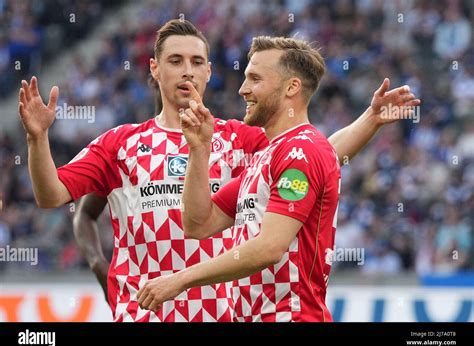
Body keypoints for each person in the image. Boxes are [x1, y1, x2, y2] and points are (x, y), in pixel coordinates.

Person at [19, 20, 419, 322]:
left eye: (197, 62)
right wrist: (38, 140)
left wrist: (368, 120)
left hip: (221, 312)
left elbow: (315, 158)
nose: (187, 71)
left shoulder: (245, 140)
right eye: (175, 61)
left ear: (210, 72)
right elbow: (51, 195)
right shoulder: (121, 143)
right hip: (144, 312)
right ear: (155, 70)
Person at [137, 35, 419, 322]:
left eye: (254, 79)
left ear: (292, 87)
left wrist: (180, 280)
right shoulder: (268, 159)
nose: (243, 89)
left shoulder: (302, 150)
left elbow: (270, 247)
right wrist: (199, 150)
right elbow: (198, 224)